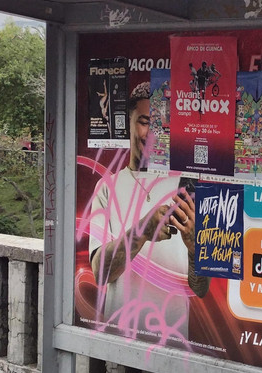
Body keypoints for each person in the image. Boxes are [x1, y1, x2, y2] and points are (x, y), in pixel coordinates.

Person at [87, 81, 210, 331]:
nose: (154, 134)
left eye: (162, 125)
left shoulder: (188, 185)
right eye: (144, 122)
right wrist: (143, 230)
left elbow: (201, 289)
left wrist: (194, 247)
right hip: (118, 339)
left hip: (173, 343)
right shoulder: (106, 188)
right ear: (127, 124)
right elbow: (100, 274)